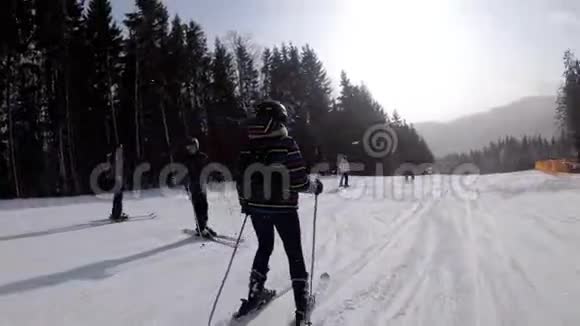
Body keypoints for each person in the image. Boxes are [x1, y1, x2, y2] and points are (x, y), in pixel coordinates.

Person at [235, 100, 324, 325]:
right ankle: (302, 308)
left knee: (264, 246)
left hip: (256, 209)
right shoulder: (286, 143)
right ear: (280, 120)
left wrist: (246, 203)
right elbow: (298, 181)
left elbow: (240, 178)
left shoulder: (248, 145)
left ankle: (255, 294)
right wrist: (315, 186)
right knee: (294, 252)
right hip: (284, 209)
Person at [178, 137, 216, 238]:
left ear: (197, 147)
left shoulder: (202, 157)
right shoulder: (187, 160)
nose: (190, 150)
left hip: (202, 185)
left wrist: (212, 175)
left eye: (192, 147)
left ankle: (204, 225)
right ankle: (200, 228)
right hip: (194, 186)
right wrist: (184, 181)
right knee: (198, 207)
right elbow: (183, 173)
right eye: (189, 148)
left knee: (205, 205)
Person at [108, 144, 128, 222]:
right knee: (118, 198)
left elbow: (113, 170)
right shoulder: (119, 159)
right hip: (119, 181)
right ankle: (117, 215)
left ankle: (115, 214)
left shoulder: (116, 159)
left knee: (116, 198)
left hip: (116, 181)